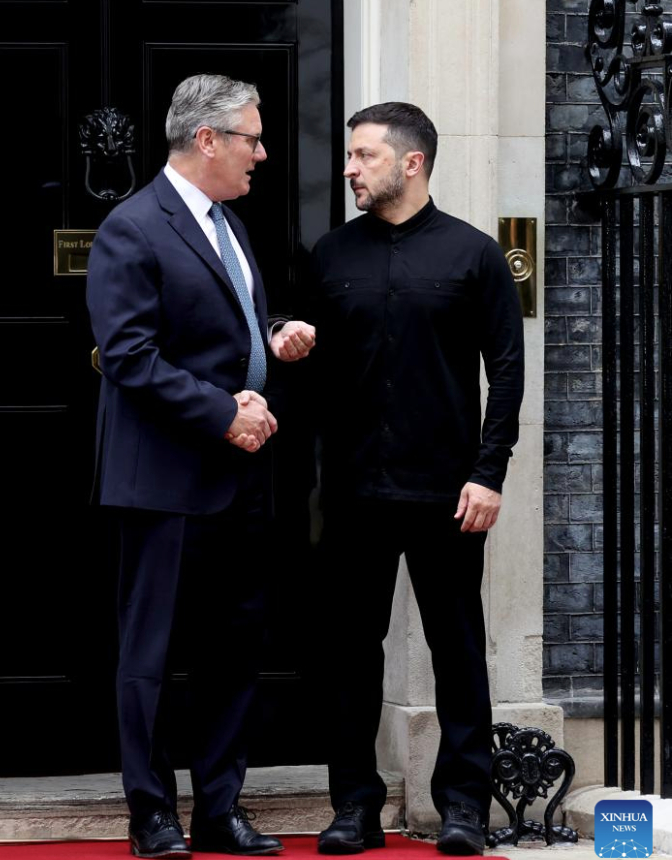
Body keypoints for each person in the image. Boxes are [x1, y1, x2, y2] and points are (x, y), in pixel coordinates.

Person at [87, 73, 315, 860]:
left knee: (233, 650)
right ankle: (152, 815)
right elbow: (129, 355)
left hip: (240, 477)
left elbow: (223, 323)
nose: (262, 151)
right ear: (207, 139)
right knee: (150, 656)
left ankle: (220, 808)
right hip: (164, 479)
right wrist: (226, 411)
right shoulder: (132, 226)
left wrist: (276, 330)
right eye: (251, 136)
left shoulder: (229, 224)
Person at [306, 102, 524, 856]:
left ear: (412, 162)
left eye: (363, 155)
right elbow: (302, 360)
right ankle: (354, 808)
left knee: (458, 650)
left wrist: (488, 472)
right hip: (355, 491)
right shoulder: (330, 255)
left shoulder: (475, 256)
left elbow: (508, 370)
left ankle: (464, 806)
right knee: (348, 655)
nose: (349, 168)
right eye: (350, 155)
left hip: (447, 494)